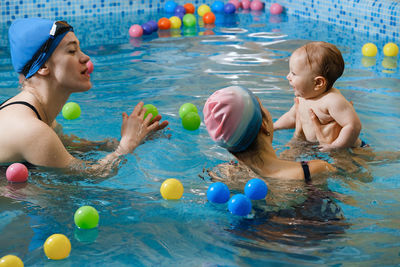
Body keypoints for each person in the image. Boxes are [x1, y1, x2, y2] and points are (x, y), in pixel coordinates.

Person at [0, 18, 168, 176]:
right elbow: (90, 175)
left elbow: (72, 149)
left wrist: (132, 138)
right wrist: (126, 145)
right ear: (43, 66)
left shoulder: (41, 118)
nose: (86, 58)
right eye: (72, 51)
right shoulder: (31, 130)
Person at [273, 41, 365, 152]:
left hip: (350, 149)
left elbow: (353, 125)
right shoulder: (303, 97)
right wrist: (274, 127)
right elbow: (291, 117)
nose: (288, 76)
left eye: (294, 73)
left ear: (318, 83)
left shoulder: (332, 100)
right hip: (313, 146)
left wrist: (336, 146)